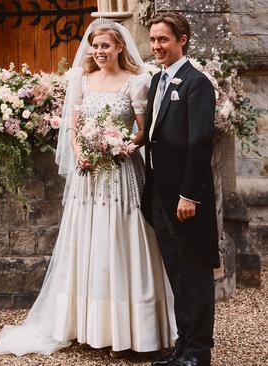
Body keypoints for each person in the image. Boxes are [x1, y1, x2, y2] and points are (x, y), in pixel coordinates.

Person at [0, 18, 176, 356]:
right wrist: (82, 153)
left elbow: (143, 130)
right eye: (95, 46)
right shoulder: (82, 80)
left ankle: (132, 329)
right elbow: (73, 128)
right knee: (88, 240)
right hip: (88, 175)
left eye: (105, 46)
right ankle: (86, 324)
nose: (99, 52)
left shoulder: (136, 83)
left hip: (121, 173)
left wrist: (121, 146)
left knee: (122, 239)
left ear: (119, 47)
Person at [143, 12, 218, 366]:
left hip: (186, 198)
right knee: (177, 272)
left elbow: (201, 142)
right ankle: (183, 347)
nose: (156, 46)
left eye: (164, 40)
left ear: (182, 39)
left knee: (195, 272)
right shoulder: (158, 80)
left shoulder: (196, 82)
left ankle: (198, 353)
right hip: (160, 193)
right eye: (153, 40)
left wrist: (190, 195)